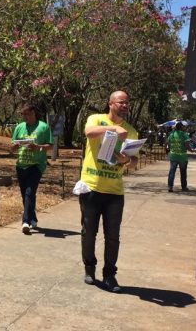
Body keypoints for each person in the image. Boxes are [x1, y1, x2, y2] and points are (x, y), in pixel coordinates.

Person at [77, 90, 138, 293]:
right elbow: (88, 133)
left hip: (114, 192)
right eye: (121, 102)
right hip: (91, 188)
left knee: (113, 236)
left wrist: (126, 160)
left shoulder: (131, 131)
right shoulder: (96, 119)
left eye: (127, 102)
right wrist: (112, 129)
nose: (125, 105)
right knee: (89, 233)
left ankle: (110, 275)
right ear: (110, 103)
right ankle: (89, 268)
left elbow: (134, 161)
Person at [10, 103, 53, 234]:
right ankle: (33, 218)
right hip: (21, 164)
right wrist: (14, 147)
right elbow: (12, 145)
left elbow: (50, 146)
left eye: (27, 114)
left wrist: (38, 147)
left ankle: (26, 222)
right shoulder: (19, 127)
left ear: (34, 113)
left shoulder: (43, 127)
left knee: (29, 192)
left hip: (36, 165)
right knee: (25, 195)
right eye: (23, 114)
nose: (25, 117)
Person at [167, 121, 195, 192]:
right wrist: (191, 150)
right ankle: (184, 187)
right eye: (183, 126)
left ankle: (170, 187)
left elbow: (168, 144)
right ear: (181, 127)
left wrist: (171, 149)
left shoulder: (172, 134)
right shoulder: (184, 134)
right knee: (183, 172)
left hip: (173, 156)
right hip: (182, 157)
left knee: (172, 172)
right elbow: (187, 145)